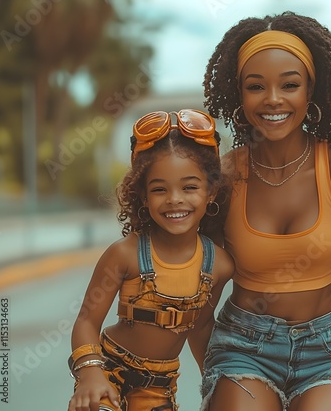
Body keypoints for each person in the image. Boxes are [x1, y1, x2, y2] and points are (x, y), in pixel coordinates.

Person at [196, 11, 331, 411]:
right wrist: (218, 379)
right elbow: (202, 295)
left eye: (289, 85)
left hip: (325, 351)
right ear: (239, 93)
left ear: (310, 90)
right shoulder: (225, 177)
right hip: (242, 348)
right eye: (256, 86)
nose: (273, 99)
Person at [67, 109, 234, 411]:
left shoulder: (219, 265)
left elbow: (199, 327)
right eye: (159, 189)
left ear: (211, 192)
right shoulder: (124, 254)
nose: (174, 199)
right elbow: (86, 322)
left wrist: (215, 381)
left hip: (159, 387)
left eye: (190, 187)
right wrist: (90, 373)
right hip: (109, 369)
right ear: (143, 196)